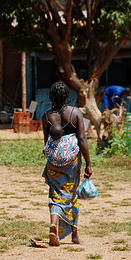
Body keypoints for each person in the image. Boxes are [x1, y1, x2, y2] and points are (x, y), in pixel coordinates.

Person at [41, 81, 92, 246]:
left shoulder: (46, 116)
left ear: (51, 96)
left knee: (55, 195)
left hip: (53, 162)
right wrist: (88, 163)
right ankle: (74, 235)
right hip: (72, 163)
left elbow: (46, 142)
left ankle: (54, 223)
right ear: (67, 96)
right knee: (72, 195)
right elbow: (82, 139)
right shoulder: (76, 113)